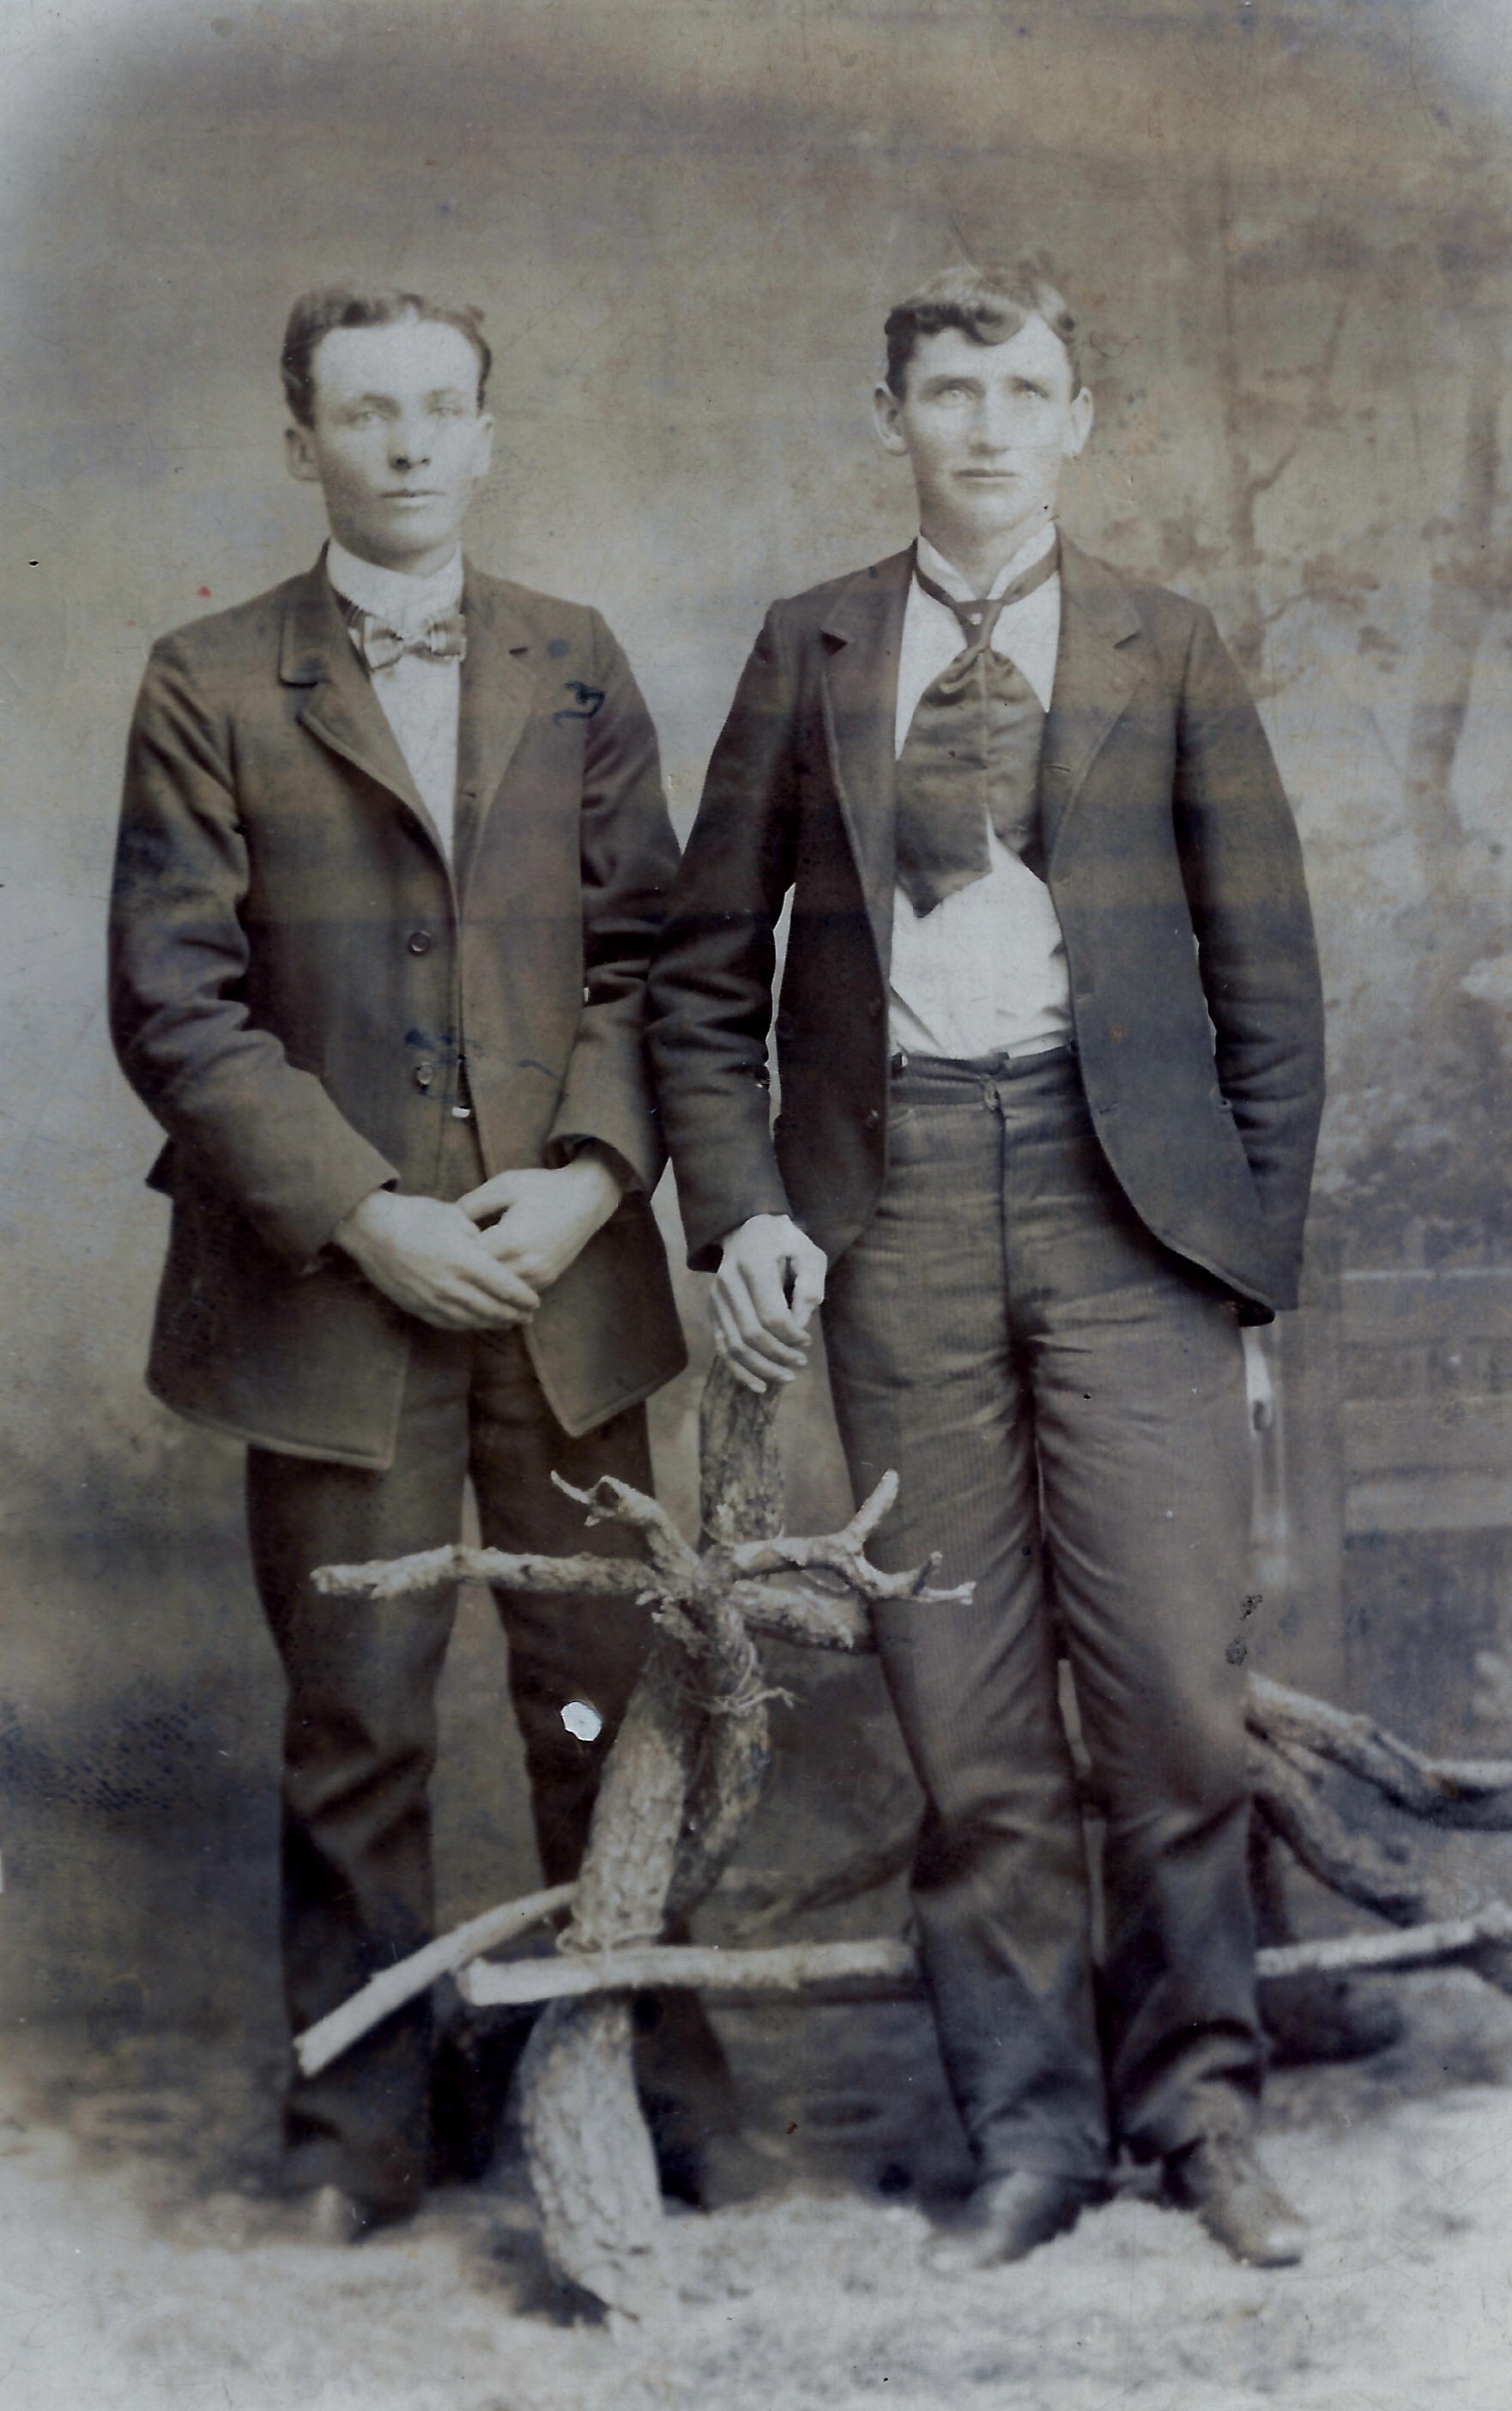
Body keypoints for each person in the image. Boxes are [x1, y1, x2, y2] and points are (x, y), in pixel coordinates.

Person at [646, 263, 1325, 2271]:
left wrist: (1239, 1278)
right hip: (900, 1208)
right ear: (892, 417)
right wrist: (747, 1210)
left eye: (1025, 391)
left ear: (1076, 419)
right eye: (949, 392)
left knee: (1174, 1699)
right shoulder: (810, 646)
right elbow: (703, 984)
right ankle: (1029, 2134)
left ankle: (1197, 2106)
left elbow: (1268, 992)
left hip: (1133, 1220)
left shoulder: (1161, 643)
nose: (989, 429)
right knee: (963, 1708)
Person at [109, 287, 735, 2238]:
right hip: (333, 1300)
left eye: (438, 408)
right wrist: (366, 1213)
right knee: (358, 1718)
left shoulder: (574, 657)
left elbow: (649, 955)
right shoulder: (209, 675)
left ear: (484, 433)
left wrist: (591, 1180)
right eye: (363, 412)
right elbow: (176, 1003)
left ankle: (640, 2076)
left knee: (603, 1703)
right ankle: (358, 2122)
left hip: (561, 1291)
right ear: (299, 440)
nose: (403, 443)